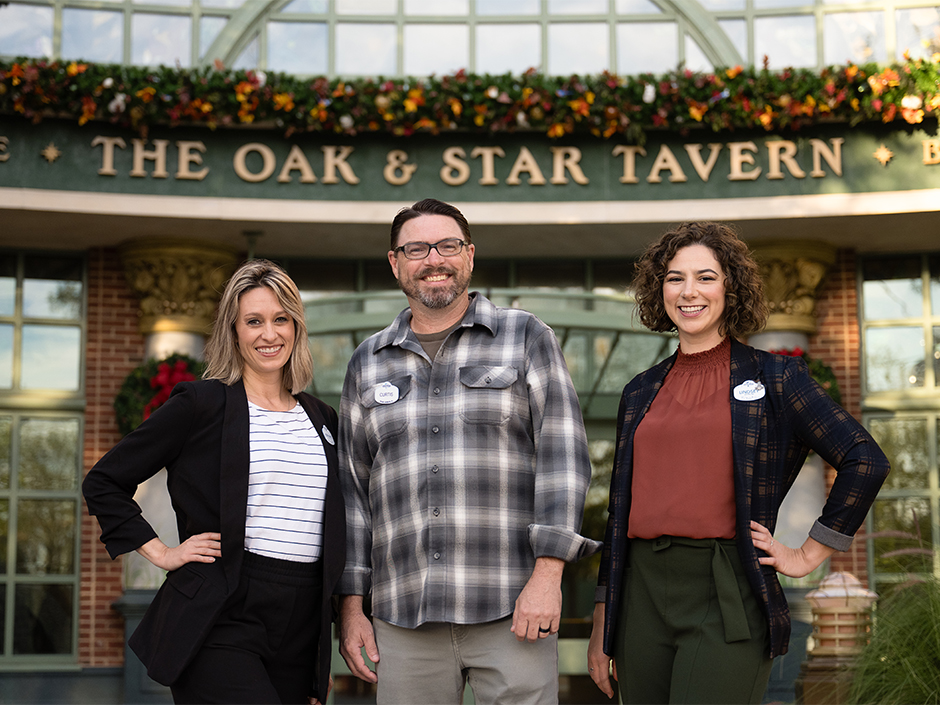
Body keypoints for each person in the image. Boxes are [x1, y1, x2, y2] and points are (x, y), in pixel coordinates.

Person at [586, 221, 890, 704]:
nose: (689, 292)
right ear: (658, 289)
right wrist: (605, 611)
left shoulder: (777, 376)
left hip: (726, 583)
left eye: (706, 277)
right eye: (674, 278)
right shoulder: (639, 391)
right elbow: (618, 511)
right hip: (640, 590)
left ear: (731, 287)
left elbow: (865, 460)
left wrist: (807, 553)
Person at [336, 198, 600, 705]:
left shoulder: (526, 337)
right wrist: (351, 607)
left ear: (470, 255)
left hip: (511, 605)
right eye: (416, 248)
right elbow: (353, 493)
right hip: (403, 612)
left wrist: (548, 577)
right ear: (395, 263)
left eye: (447, 245)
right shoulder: (366, 360)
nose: (433, 259)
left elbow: (563, 460)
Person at [83, 259, 345, 705]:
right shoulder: (201, 405)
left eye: (281, 319)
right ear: (234, 330)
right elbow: (104, 480)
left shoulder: (322, 418)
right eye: (254, 321)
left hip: (302, 619)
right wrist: (161, 552)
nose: (269, 334)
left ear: (297, 327)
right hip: (223, 612)